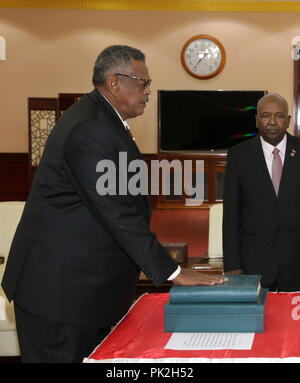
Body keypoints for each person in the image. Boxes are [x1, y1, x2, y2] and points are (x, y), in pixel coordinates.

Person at [1, 45, 226, 363]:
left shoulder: (102, 119)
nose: (149, 91)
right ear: (115, 82)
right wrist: (173, 271)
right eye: (143, 82)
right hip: (60, 295)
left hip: (79, 290)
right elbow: (117, 213)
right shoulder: (90, 129)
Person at [222, 92, 300, 291]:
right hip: (253, 265)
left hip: (295, 263)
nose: (272, 121)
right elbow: (231, 215)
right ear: (257, 121)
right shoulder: (238, 156)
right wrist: (233, 265)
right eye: (266, 116)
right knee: (259, 322)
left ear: (288, 120)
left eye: (279, 116)